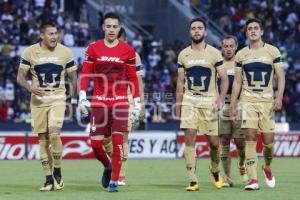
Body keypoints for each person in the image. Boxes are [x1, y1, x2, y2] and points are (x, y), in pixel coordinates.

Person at [79, 12, 141, 192]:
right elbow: (86, 74)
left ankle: (114, 181)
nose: (112, 29)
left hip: (120, 102)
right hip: (99, 102)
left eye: (115, 26)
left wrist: (136, 102)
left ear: (119, 28)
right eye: (108, 26)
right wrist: (82, 96)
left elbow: (132, 78)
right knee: (96, 145)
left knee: (118, 143)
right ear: (103, 28)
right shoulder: (93, 48)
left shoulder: (128, 50)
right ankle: (107, 165)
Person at [17, 21, 78, 191]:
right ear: (42, 35)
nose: (54, 36)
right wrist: (30, 87)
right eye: (50, 33)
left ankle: (57, 172)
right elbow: (20, 77)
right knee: (42, 140)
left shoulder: (66, 52)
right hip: (37, 102)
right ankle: (48, 179)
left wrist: (73, 100)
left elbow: (74, 79)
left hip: (58, 98)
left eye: (56, 33)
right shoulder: (30, 52)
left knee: (54, 134)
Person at [230, 18, 285, 190]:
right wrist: (233, 104)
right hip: (248, 101)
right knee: (250, 137)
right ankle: (253, 179)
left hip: (267, 102)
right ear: (246, 33)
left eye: (256, 28)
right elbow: (237, 82)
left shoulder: (273, 51)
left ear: (261, 32)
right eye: (249, 29)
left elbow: (281, 77)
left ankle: (267, 166)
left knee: (269, 143)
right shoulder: (241, 55)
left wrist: (279, 97)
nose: (253, 31)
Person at [175, 18, 229, 191]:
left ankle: (214, 170)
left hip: (209, 102)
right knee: (190, 136)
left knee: (214, 143)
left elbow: (225, 79)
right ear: (190, 32)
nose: (196, 31)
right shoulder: (183, 54)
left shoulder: (214, 53)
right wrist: (178, 103)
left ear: (205, 32)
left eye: (200, 28)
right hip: (190, 101)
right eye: (193, 28)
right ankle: (192, 179)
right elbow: (180, 82)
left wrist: (221, 98)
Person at [219, 35, 248, 187]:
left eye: (231, 46)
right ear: (222, 47)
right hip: (222, 106)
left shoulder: (242, 62)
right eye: (226, 46)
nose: (228, 49)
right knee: (224, 139)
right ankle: (226, 176)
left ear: (236, 47)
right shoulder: (218, 64)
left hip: (240, 106)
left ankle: (242, 164)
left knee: (240, 143)